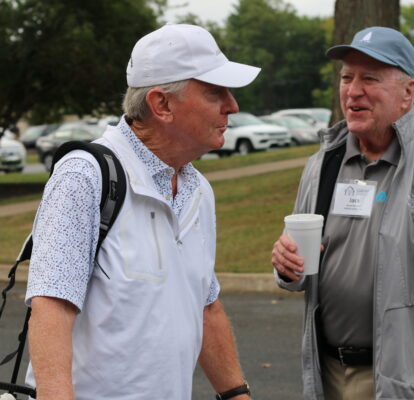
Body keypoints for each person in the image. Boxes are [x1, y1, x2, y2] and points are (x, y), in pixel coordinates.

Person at [25, 23, 260, 400]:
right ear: (161, 105)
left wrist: (236, 394)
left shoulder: (199, 189)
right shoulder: (85, 175)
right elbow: (52, 306)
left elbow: (205, 304)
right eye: (215, 92)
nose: (232, 105)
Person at [271, 26, 414, 400]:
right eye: (347, 77)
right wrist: (286, 266)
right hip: (327, 374)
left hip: (400, 381)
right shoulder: (323, 164)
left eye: (370, 78)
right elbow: (299, 271)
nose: (353, 91)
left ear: (408, 92)